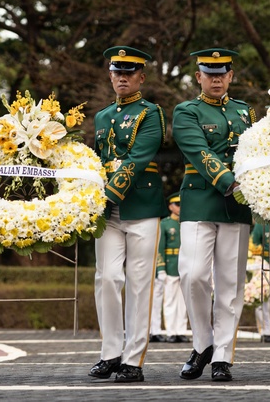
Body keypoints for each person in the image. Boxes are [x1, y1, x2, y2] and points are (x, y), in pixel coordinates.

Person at [172, 48, 255, 382]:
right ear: (199, 77)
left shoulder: (245, 112)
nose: (216, 80)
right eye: (209, 74)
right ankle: (203, 342)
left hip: (237, 206)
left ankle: (222, 355)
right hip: (200, 200)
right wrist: (229, 181)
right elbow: (198, 151)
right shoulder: (186, 111)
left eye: (222, 74)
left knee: (230, 284)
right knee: (192, 274)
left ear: (230, 76)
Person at [89, 46, 166, 383]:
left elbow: (137, 159)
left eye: (129, 72)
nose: (123, 77)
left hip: (142, 206)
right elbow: (96, 161)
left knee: (138, 283)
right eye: (117, 71)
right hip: (108, 212)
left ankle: (133, 359)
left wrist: (106, 196)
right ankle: (110, 352)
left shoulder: (151, 113)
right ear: (110, 76)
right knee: (106, 278)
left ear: (141, 77)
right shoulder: (102, 116)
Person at [158, 193, 189, 343]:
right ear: (170, 206)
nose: (180, 207)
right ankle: (171, 331)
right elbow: (160, 248)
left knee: (183, 302)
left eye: (181, 205)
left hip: (184, 266)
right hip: (170, 266)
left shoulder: (186, 223)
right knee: (170, 301)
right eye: (177, 205)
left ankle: (181, 331)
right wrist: (161, 268)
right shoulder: (165, 224)